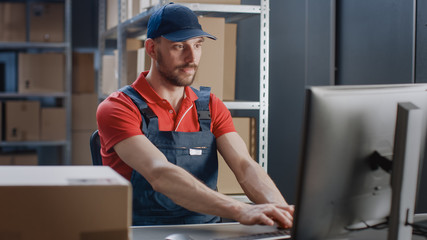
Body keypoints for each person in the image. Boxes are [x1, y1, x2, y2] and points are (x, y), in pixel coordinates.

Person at [96, 2, 294, 227]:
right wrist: (240, 209)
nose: (192, 57)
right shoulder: (119, 107)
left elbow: (244, 165)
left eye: (198, 45)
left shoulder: (210, 106)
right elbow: (160, 174)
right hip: (142, 231)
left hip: (205, 229)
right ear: (152, 48)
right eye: (179, 46)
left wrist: (282, 213)